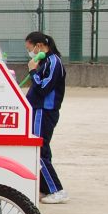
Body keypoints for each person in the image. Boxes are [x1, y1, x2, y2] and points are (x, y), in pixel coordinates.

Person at [25, 30, 68, 204]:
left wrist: (32, 72)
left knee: (39, 151)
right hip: (38, 110)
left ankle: (56, 189)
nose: (30, 52)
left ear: (40, 46)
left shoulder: (53, 63)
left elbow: (43, 88)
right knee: (42, 150)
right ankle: (45, 187)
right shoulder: (45, 62)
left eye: (30, 48)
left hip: (45, 111)